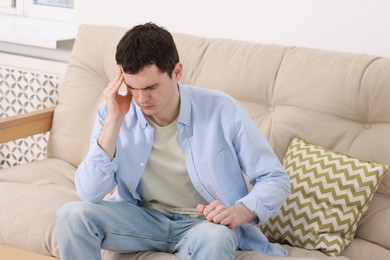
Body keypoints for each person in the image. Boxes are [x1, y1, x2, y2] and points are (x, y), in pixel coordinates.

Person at [56, 22, 290, 260]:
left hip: (203, 226)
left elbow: (275, 179)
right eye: (132, 87)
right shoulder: (114, 112)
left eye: (151, 87)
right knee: (71, 216)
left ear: (177, 72)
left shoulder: (222, 110)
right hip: (142, 220)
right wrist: (114, 120)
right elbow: (88, 193)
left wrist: (240, 211)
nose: (141, 99)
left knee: (216, 239)